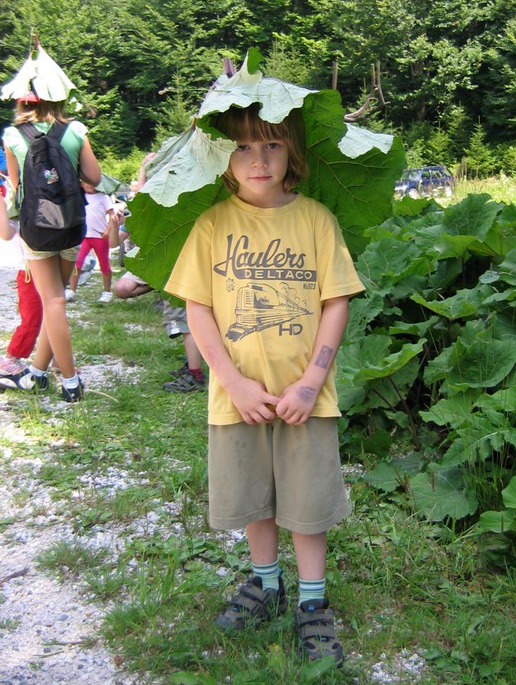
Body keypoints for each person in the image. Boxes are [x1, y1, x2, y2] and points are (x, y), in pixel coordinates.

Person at [165, 103, 365, 667]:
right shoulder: (212, 224)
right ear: (224, 158)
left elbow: (336, 300)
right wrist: (232, 383)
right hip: (240, 397)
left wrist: (311, 381)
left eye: (272, 145)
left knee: (308, 501)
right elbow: (197, 308)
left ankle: (312, 599)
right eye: (244, 146)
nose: (258, 158)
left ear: (292, 153)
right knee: (255, 496)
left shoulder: (317, 220)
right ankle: (265, 582)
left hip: (307, 396)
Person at [1, 86, 101, 402]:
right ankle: (37, 374)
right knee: (54, 301)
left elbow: (17, 190)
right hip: (72, 225)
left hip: (38, 229)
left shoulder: (13, 136)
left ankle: (70, 381)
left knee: (53, 302)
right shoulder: (75, 131)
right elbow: (95, 178)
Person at [111, 153, 206, 392]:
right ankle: (192, 366)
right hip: (167, 268)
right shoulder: (158, 203)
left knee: (186, 322)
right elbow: (115, 240)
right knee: (188, 320)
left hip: (179, 269)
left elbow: (144, 191)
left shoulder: (174, 201)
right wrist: (114, 224)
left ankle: (195, 376)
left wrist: (144, 169)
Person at [0, 191, 43, 378]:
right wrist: (1, 206)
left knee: (53, 316)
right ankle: (11, 357)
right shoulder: (18, 202)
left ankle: (58, 359)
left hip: (48, 266)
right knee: (32, 319)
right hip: (29, 272)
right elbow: (6, 234)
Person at [65, 181, 115, 304]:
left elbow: (112, 215)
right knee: (77, 262)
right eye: (86, 183)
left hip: (100, 236)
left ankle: (107, 291)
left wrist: (108, 230)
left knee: (104, 264)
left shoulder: (103, 197)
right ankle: (72, 290)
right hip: (84, 236)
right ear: (81, 184)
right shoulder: (81, 196)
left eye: (92, 183)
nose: (89, 185)